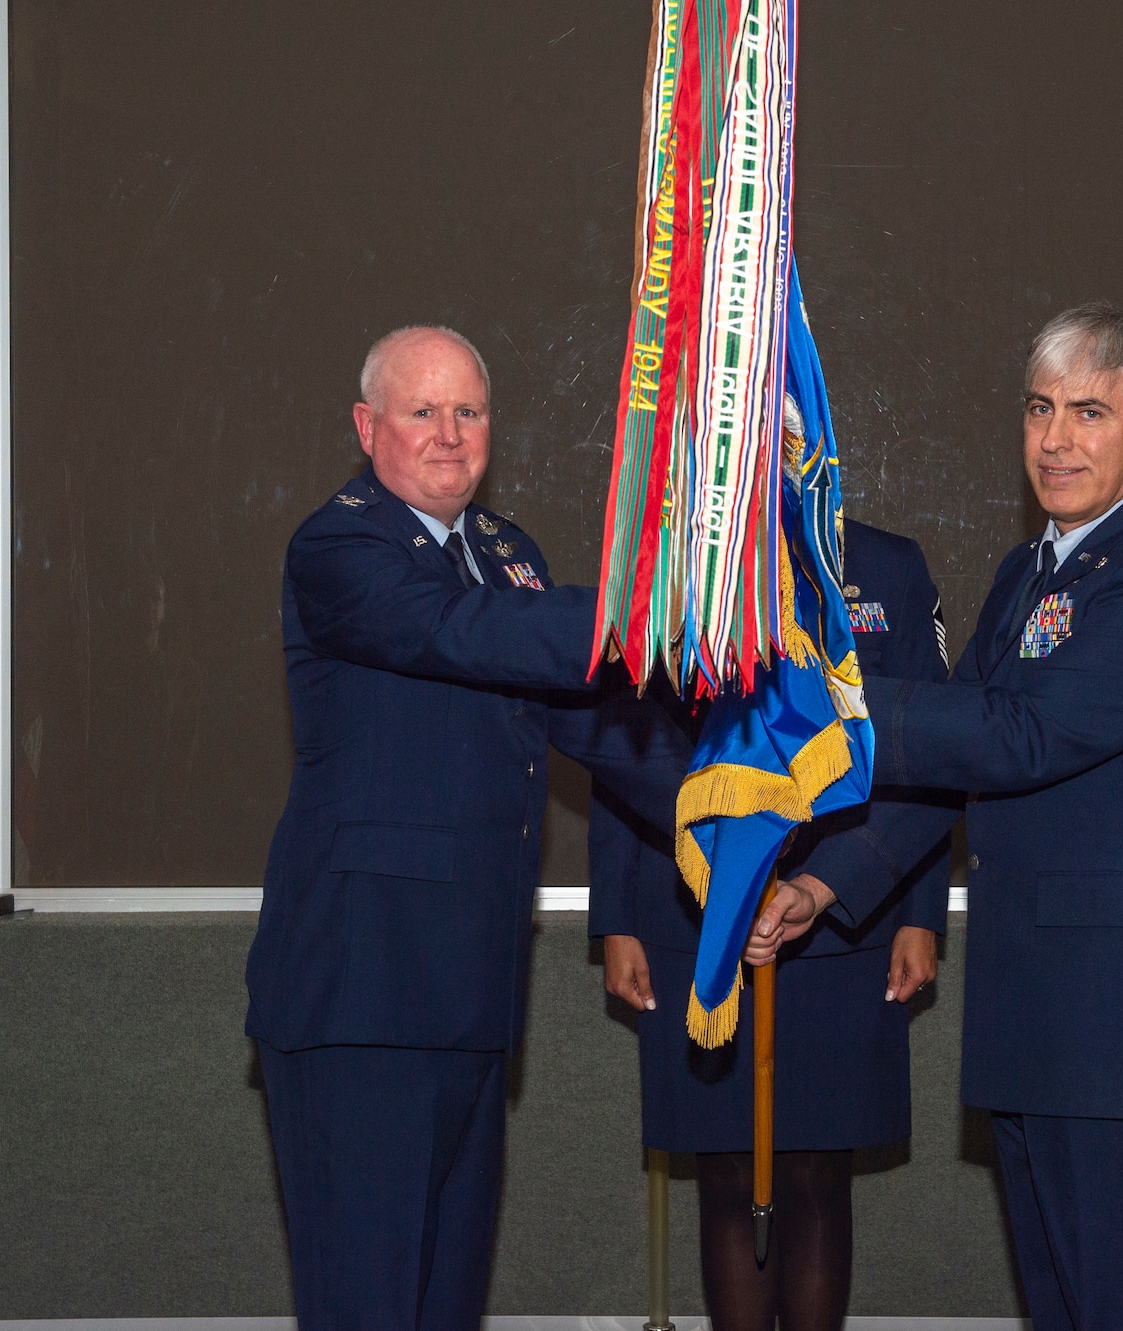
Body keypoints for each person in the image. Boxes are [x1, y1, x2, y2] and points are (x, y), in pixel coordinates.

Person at [743, 303, 1123, 1331]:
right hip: (1037, 1016)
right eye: (1037, 410)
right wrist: (824, 883)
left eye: (1087, 412)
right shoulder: (1033, 570)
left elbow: (1018, 736)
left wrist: (828, 694)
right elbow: (952, 770)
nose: (1054, 439)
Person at [245, 325, 680, 1331]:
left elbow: (594, 728)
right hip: (360, 990)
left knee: (444, 1304)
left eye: (469, 411)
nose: (448, 433)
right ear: (367, 426)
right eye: (421, 410)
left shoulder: (506, 554)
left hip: (473, 991)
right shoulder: (340, 544)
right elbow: (457, 631)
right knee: (368, 1304)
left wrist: (733, 812)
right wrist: (651, 610)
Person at [591, 503, 956, 1331]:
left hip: (846, 914)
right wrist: (616, 915)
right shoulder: (668, 564)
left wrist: (920, 913)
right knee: (723, 1171)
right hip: (694, 912)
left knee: (818, 1173)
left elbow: (932, 748)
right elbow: (620, 741)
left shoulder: (888, 563)